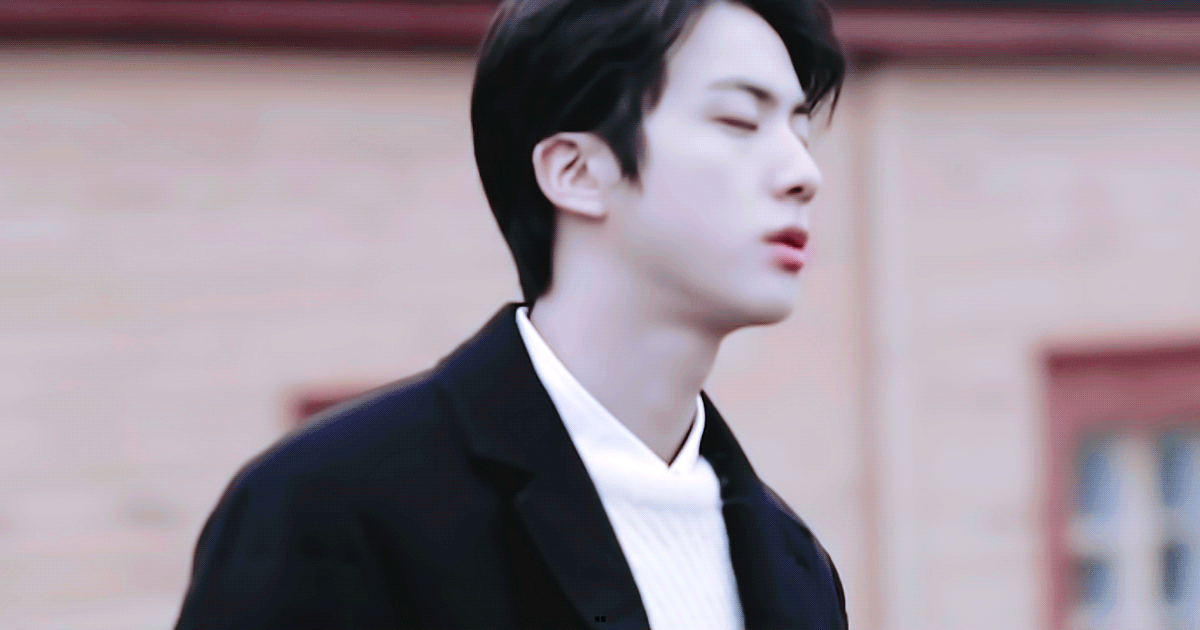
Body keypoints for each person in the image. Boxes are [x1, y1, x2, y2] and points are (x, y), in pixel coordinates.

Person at [173, 0, 847, 627]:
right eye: (738, 121)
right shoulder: (331, 509)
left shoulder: (795, 566)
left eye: (800, 132)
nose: (803, 174)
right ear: (575, 171)